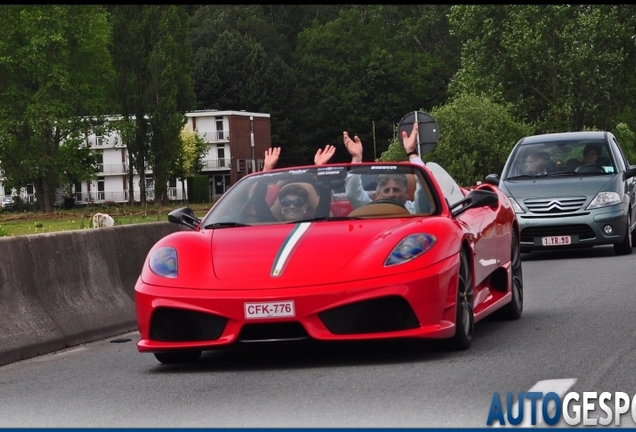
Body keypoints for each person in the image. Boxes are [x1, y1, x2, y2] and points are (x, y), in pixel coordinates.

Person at [342, 123, 429, 213]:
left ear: (406, 192)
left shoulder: (416, 210)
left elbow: (425, 186)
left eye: (396, 190)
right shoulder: (373, 211)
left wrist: (411, 152)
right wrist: (356, 159)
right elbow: (352, 193)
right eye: (386, 190)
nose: (391, 195)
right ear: (381, 194)